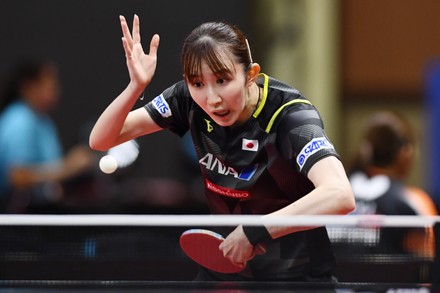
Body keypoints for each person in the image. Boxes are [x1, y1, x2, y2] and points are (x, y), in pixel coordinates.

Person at [89, 15, 355, 282]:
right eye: (197, 84)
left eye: (222, 80)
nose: (212, 98)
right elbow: (101, 140)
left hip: (297, 275)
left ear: (250, 74)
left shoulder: (289, 116)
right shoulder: (186, 99)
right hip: (228, 267)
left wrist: (255, 231)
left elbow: (340, 195)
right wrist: (135, 87)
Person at [0, 58, 95, 213]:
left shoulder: (42, 120)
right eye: (51, 85)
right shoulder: (19, 120)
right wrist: (68, 168)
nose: (57, 90)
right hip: (16, 218)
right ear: (28, 86)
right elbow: (17, 176)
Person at [348, 111, 438, 256]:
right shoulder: (413, 201)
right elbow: (428, 262)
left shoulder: (336, 193)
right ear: (406, 152)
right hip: (393, 279)